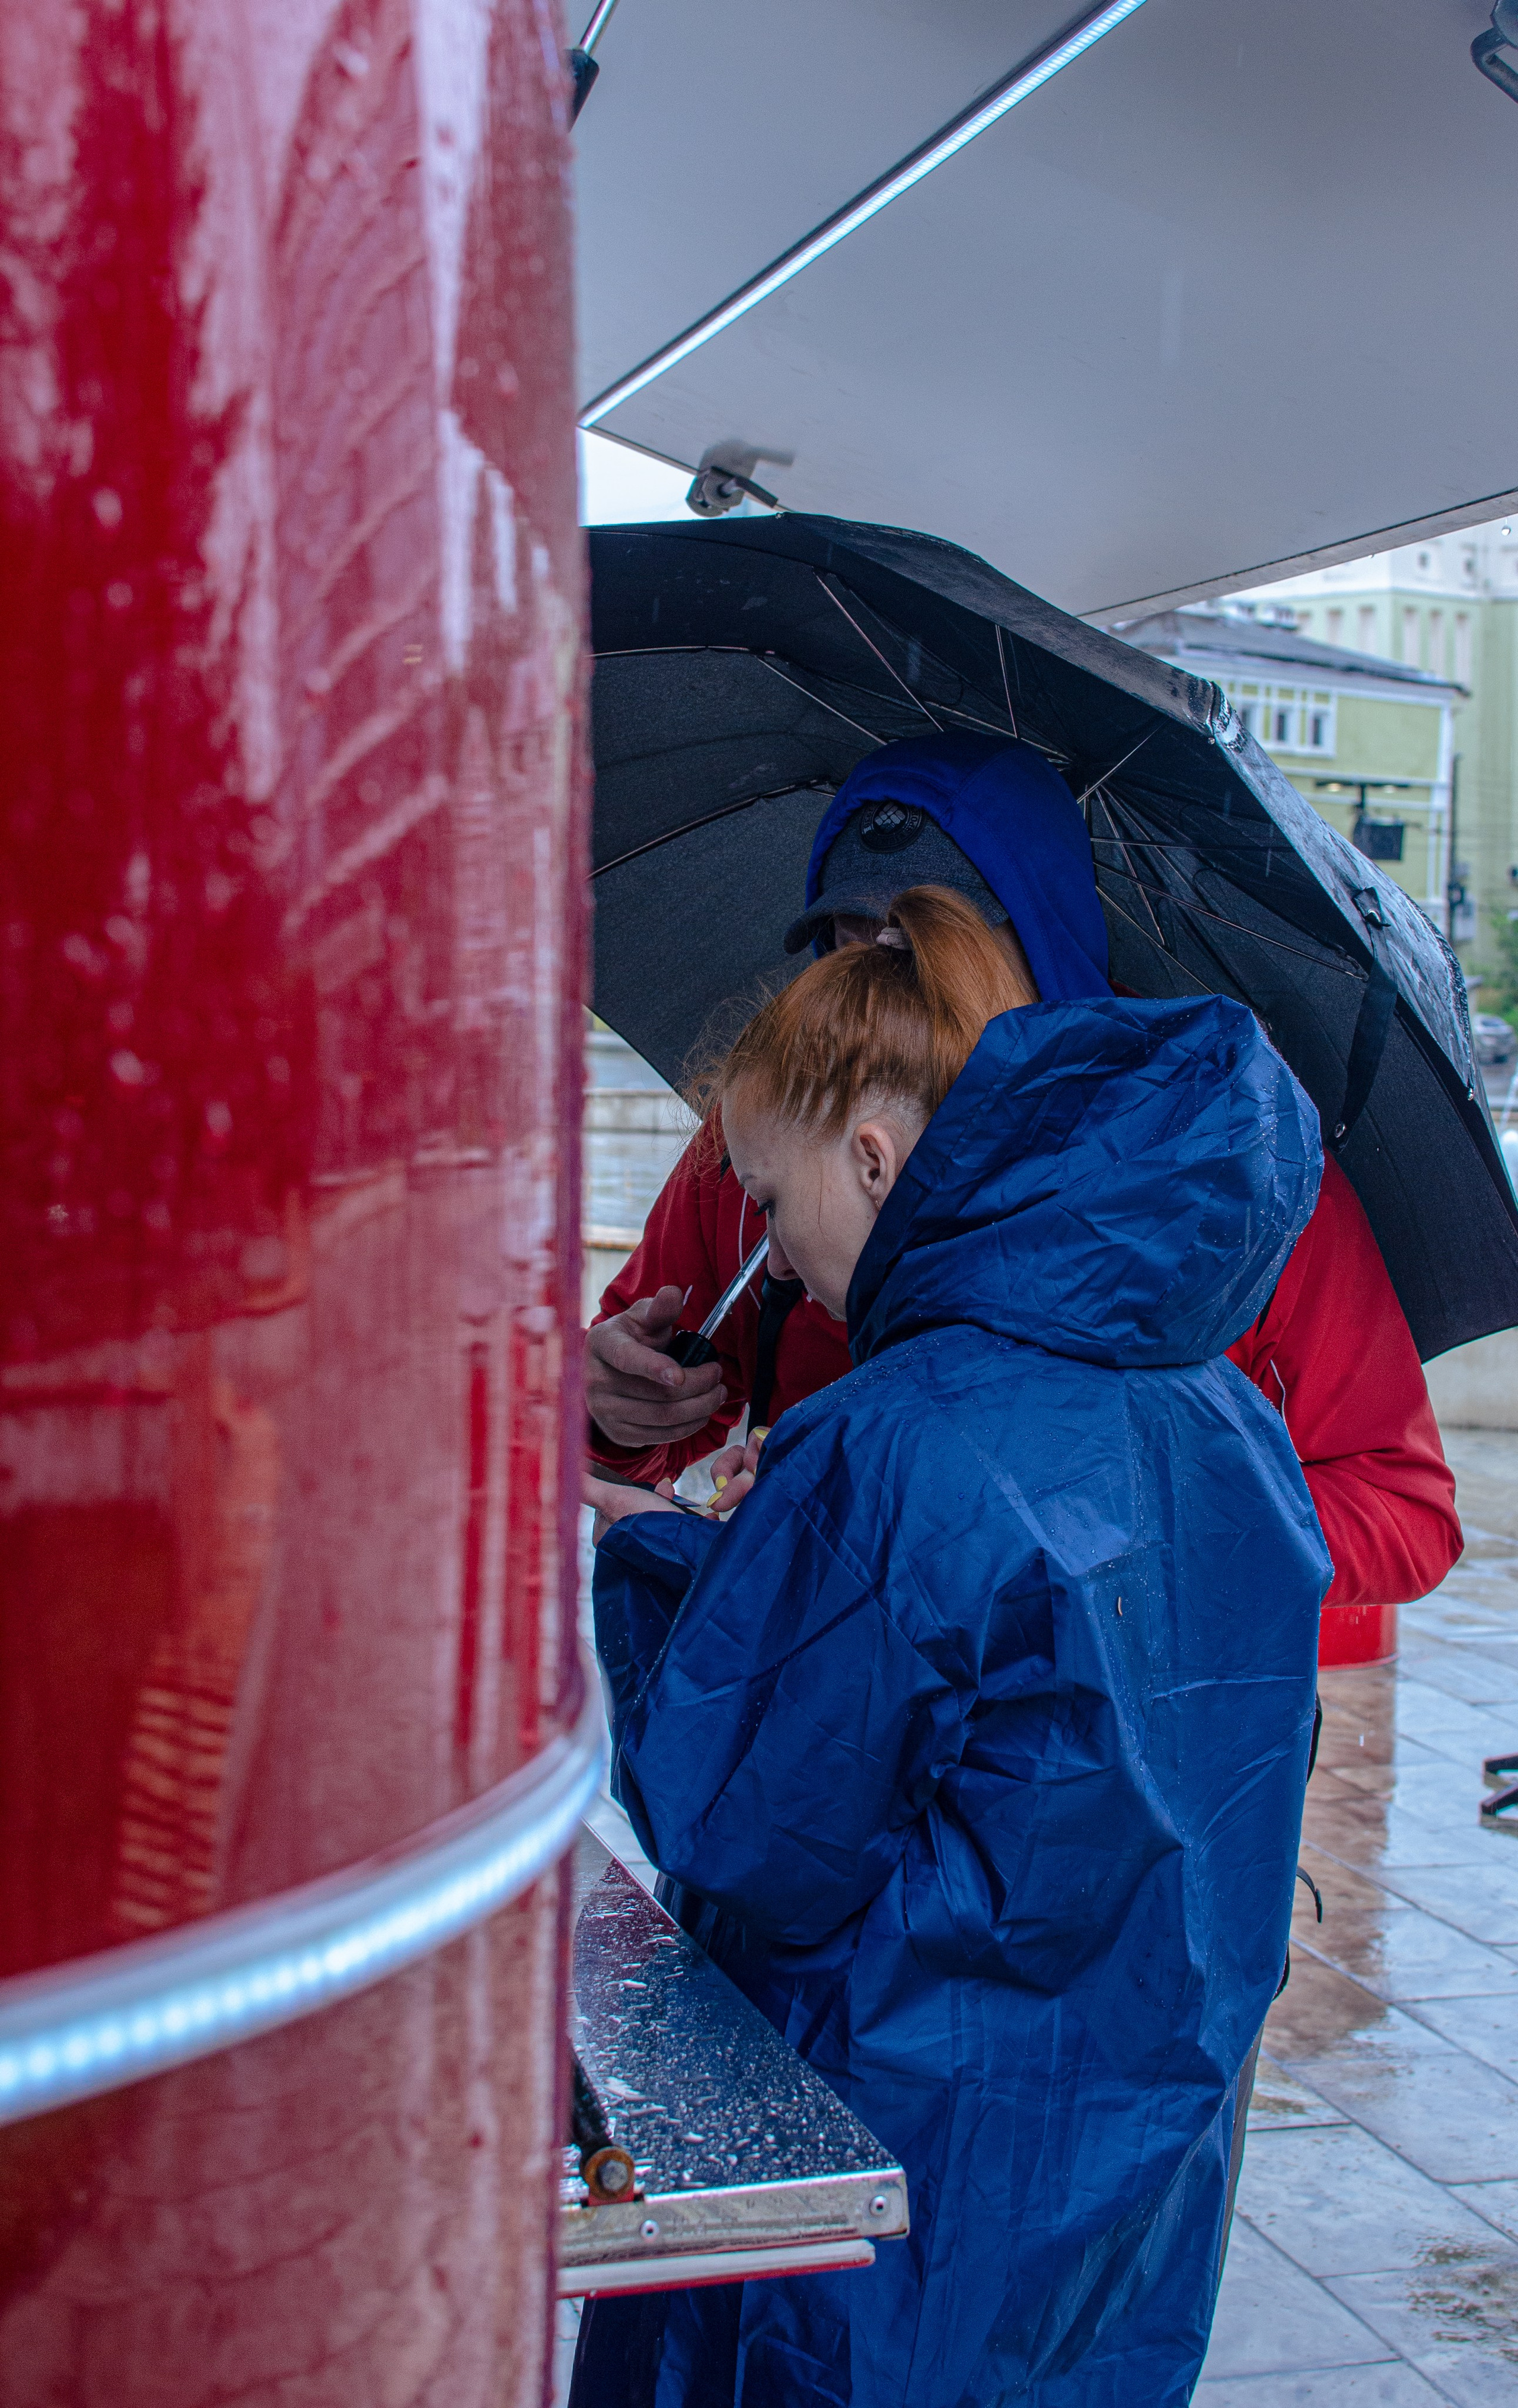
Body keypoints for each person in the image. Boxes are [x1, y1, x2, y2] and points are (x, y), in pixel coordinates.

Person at [573, 887, 1330, 2407]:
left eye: (777, 1210)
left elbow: (754, 1831)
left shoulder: (896, 1439)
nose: (772, 1266)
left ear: (870, 1159)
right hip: (1124, 2181)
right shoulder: (1232, 1424)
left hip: (903, 2176)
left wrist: (638, 1553)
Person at [586, 734, 1460, 1606]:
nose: (888, 974)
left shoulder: (1232, 1181)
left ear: (1042, 944)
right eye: (849, 940)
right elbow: (640, 1435)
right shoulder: (756, 1161)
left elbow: (1404, 1513)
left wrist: (1121, 1528)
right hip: (825, 1706)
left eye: (929, 940)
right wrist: (613, 1414)